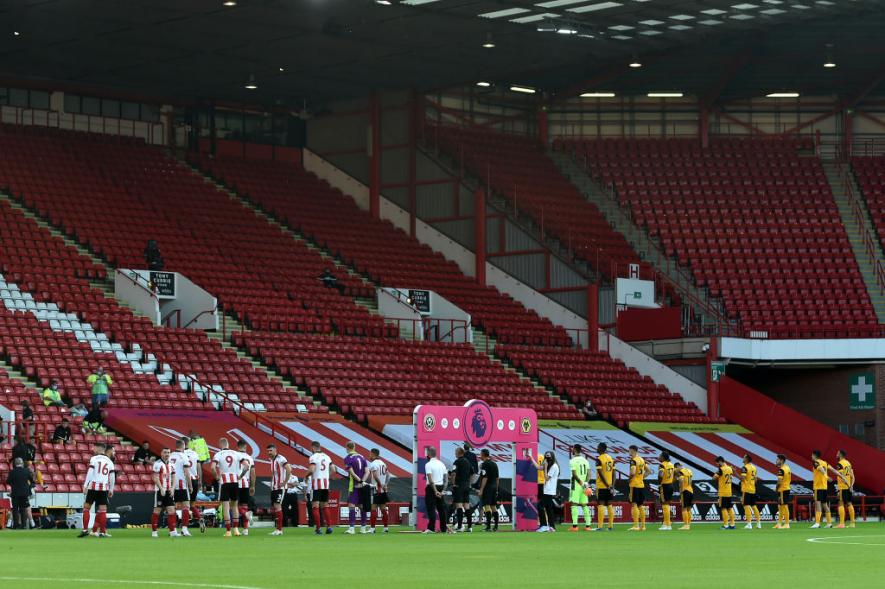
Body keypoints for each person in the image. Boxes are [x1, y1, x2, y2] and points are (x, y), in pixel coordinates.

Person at [212, 438, 248, 537]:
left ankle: (228, 531)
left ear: (220, 445)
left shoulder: (218, 454)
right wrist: (241, 476)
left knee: (226, 507)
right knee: (234, 506)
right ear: (228, 444)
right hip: (235, 482)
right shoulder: (236, 453)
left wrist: (217, 477)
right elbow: (246, 466)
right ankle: (236, 529)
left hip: (225, 482)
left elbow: (212, 467)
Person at [79, 443, 115, 538]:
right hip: (103, 488)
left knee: (86, 508)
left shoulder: (94, 459)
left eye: (94, 448)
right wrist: (111, 489)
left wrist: (85, 485)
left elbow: (90, 472)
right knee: (103, 510)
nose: (93, 449)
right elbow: (112, 477)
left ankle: (85, 530)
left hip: (93, 487)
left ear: (99, 449)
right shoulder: (110, 462)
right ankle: (102, 532)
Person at [343, 441, 371, 535]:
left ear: (347, 447)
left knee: (351, 505)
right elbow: (367, 472)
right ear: (354, 447)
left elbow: (351, 472)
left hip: (354, 485)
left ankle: (352, 528)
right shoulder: (362, 457)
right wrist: (362, 482)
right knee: (362, 506)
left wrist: (359, 481)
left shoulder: (348, 458)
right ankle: (363, 528)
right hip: (362, 485)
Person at [307, 440, 333, 535]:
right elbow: (333, 469)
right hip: (325, 485)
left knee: (315, 506)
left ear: (313, 447)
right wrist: (326, 476)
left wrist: (306, 476)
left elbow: (312, 469)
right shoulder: (327, 456)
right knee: (325, 505)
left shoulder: (313, 457)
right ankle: (329, 527)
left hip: (316, 485)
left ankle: (318, 529)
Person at [151, 448, 178, 538]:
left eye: (168, 452)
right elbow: (155, 477)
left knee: (171, 510)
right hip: (160, 490)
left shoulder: (172, 464)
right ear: (161, 454)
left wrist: (173, 488)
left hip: (169, 490)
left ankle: (172, 531)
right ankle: (154, 532)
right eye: (165, 452)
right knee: (157, 510)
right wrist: (161, 488)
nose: (167, 454)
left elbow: (174, 477)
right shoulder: (157, 464)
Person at [169, 439, 193, 537]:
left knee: (172, 508)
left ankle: (173, 530)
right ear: (183, 446)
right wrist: (190, 485)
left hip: (171, 485)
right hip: (181, 484)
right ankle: (184, 529)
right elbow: (187, 473)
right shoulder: (183, 456)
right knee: (186, 506)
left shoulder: (170, 455)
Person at [267, 444, 291, 536]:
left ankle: (279, 529)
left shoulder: (281, 458)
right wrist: (271, 485)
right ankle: (278, 529)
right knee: (275, 507)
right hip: (274, 487)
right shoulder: (272, 460)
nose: (269, 452)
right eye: (268, 451)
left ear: (275, 450)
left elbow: (289, 469)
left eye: (271, 450)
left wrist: (285, 482)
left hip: (280, 488)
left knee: (278, 506)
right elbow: (274, 475)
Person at [423, 446, 448, 534]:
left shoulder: (428, 464)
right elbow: (446, 480)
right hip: (441, 487)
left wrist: (435, 491)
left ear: (429, 454)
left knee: (431, 508)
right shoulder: (442, 464)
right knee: (441, 509)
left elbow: (430, 480)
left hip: (431, 488)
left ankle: (431, 528)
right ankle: (443, 528)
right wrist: (442, 491)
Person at [182, 436, 204, 533]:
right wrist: (200, 481)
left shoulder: (180, 454)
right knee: (192, 504)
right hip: (195, 480)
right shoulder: (195, 454)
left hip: (185, 481)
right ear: (188, 443)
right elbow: (199, 468)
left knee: (185, 505)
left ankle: (184, 528)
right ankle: (199, 518)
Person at [568, 444, 591, 532]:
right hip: (584, 486)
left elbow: (574, 474)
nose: (572, 450)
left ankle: (575, 526)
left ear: (575, 449)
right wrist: (586, 483)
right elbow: (589, 474)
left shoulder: (572, 461)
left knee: (574, 504)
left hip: (576, 485)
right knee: (584, 505)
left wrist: (581, 483)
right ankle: (588, 526)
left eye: (572, 449)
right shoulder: (585, 460)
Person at [829, 450, 855, 529]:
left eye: (837, 453)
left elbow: (841, 475)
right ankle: (852, 523)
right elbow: (853, 476)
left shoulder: (840, 464)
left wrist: (846, 483)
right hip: (848, 487)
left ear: (840, 454)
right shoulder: (848, 463)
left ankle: (841, 524)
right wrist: (851, 486)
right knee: (849, 503)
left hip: (842, 486)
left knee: (840, 503)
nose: (836, 454)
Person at [6, 457, 34, 530]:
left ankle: (16, 525)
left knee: (15, 509)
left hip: (15, 493)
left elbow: (8, 481)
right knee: (24, 509)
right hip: (24, 493)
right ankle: (24, 525)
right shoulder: (26, 471)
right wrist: (28, 488)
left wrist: (13, 484)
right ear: (22, 463)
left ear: (15, 464)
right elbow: (32, 481)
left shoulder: (12, 472)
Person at [235, 440, 255, 536]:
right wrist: (253, 486)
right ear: (246, 447)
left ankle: (245, 514)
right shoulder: (250, 458)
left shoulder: (235, 455)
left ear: (237, 446)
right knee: (244, 506)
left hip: (236, 482)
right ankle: (245, 529)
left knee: (234, 505)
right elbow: (253, 473)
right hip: (246, 484)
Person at [367, 448, 390, 533]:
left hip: (376, 489)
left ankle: (372, 529)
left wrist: (380, 484)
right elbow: (388, 475)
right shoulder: (383, 463)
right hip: (383, 490)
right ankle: (386, 528)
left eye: (370, 454)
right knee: (383, 508)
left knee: (373, 508)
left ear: (373, 454)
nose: (369, 456)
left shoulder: (373, 464)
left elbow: (375, 476)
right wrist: (385, 484)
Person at [594, 442, 615, 531]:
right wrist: (612, 485)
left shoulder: (599, 459)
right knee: (609, 505)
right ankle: (610, 526)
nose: (597, 449)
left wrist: (606, 485)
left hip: (602, 486)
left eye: (598, 447)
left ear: (601, 448)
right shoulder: (610, 458)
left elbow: (600, 473)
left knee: (601, 505)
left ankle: (600, 526)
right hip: (609, 485)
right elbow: (614, 473)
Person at [478, 449, 500, 532]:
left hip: (487, 488)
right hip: (494, 487)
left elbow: (485, 477)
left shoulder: (485, 464)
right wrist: (496, 489)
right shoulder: (494, 464)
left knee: (486, 506)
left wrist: (481, 489)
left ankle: (488, 527)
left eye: (480, 454)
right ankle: (496, 526)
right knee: (493, 506)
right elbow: (497, 478)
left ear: (483, 454)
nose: (480, 456)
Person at [451, 447, 472, 533]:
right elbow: (473, 473)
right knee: (466, 506)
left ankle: (459, 526)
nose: (455, 453)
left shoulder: (457, 461)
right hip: (466, 486)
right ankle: (470, 527)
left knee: (459, 505)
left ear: (459, 453)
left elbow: (453, 473)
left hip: (459, 485)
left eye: (455, 452)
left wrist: (453, 484)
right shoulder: (468, 462)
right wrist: (469, 483)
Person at [810, 450, 832, 529]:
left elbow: (821, 469)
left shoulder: (816, 462)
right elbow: (832, 469)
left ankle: (817, 523)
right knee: (825, 505)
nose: (811, 456)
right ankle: (829, 523)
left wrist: (826, 477)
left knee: (817, 504)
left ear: (814, 455)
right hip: (824, 487)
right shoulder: (824, 462)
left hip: (818, 487)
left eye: (812, 455)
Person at [628, 445, 648, 531]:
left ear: (633, 450)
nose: (629, 452)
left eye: (629, 450)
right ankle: (643, 526)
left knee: (634, 504)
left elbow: (632, 472)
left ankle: (635, 525)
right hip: (641, 484)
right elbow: (648, 471)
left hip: (634, 484)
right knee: (641, 505)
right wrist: (642, 478)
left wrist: (629, 479)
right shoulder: (641, 459)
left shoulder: (633, 460)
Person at [539, 451, 559, 533]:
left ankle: (544, 525)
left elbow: (546, 478)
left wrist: (545, 467)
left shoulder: (554, 466)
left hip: (549, 490)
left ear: (552, 457)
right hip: (547, 489)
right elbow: (538, 467)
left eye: (549, 456)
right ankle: (552, 527)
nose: (547, 457)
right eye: (546, 456)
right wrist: (531, 458)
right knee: (549, 509)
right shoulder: (550, 465)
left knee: (540, 506)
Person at [739, 454, 761, 530]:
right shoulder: (754, 467)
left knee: (746, 506)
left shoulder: (745, 467)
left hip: (746, 489)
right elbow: (756, 479)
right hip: (752, 489)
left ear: (747, 459)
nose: (743, 458)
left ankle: (749, 524)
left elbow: (742, 478)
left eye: (744, 457)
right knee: (754, 506)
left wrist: (735, 473)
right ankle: (758, 524)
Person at [713, 456, 735, 530]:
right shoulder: (729, 468)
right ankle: (732, 524)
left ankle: (725, 525)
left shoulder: (721, 469)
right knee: (730, 508)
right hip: (729, 491)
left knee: (723, 508)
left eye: (717, 463)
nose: (717, 464)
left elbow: (714, 478)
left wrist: (717, 472)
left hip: (723, 492)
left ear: (720, 461)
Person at [657, 451, 675, 531]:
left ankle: (667, 525)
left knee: (664, 505)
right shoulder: (671, 464)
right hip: (670, 485)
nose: (658, 457)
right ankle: (666, 523)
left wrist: (659, 483)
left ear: (663, 457)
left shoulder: (662, 465)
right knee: (667, 504)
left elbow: (660, 475)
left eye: (660, 456)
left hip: (664, 485)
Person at [774, 454, 792, 530]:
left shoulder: (781, 470)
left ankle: (787, 524)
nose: (776, 461)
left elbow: (779, 482)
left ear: (781, 460)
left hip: (783, 489)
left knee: (784, 506)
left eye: (777, 459)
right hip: (786, 488)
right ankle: (779, 524)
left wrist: (776, 488)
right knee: (780, 506)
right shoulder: (787, 467)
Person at [674, 462, 694, 530]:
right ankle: (688, 524)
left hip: (685, 491)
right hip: (690, 490)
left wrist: (681, 492)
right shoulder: (689, 470)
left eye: (676, 468)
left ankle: (686, 525)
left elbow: (681, 480)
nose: (676, 470)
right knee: (689, 508)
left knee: (684, 508)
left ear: (677, 466)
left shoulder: (681, 472)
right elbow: (690, 481)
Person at [536, 451, 547, 531]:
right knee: (542, 504)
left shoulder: (533, 457)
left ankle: (539, 521)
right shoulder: (542, 456)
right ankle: (544, 521)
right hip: (543, 482)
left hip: (536, 482)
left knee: (538, 504)